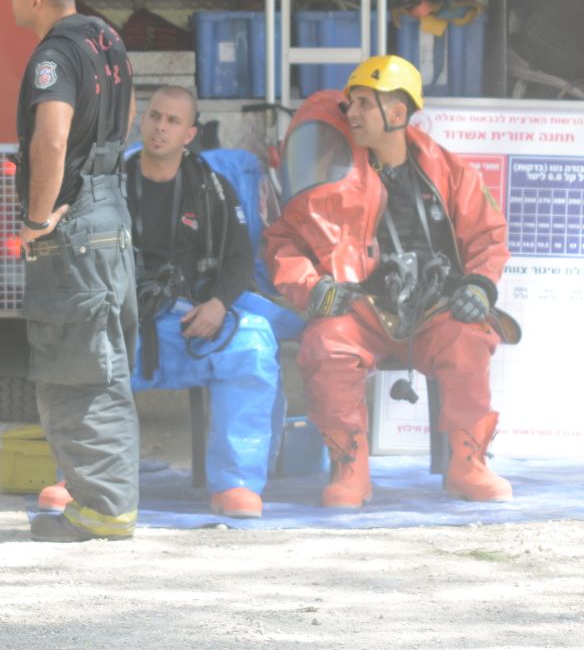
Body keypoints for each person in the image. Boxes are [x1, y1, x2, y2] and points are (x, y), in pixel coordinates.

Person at [264, 55, 517, 508]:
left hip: (435, 311)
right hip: (361, 310)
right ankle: (350, 471)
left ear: (396, 114)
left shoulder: (451, 172)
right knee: (326, 345)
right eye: (349, 104)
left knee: (469, 338)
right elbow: (282, 243)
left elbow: (488, 237)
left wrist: (479, 287)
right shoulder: (332, 173)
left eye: (363, 103)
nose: (351, 114)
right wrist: (312, 287)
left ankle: (468, 465)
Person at [115, 84, 295, 520]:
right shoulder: (111, 183)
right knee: (81, 347)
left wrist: (217, 304)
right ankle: (84, 478)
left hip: (191, 320)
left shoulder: (212, 189)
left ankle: (235, 484)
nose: (161, 127)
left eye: (173, 121)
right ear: (142, 121)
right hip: (123, 321)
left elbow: (238, 260)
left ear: (189, 134)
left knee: (251, 346)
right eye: (155, 116)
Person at [10, 0, 138, 542]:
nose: (9, 2)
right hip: (111, 209)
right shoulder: (107, 40)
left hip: (74, 225)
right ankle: (105, 503)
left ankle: (102, 511)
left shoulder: (54, 54)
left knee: (77, 369)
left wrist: (36, 220)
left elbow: (51, 141)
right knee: (106, 363)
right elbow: (126, 117)